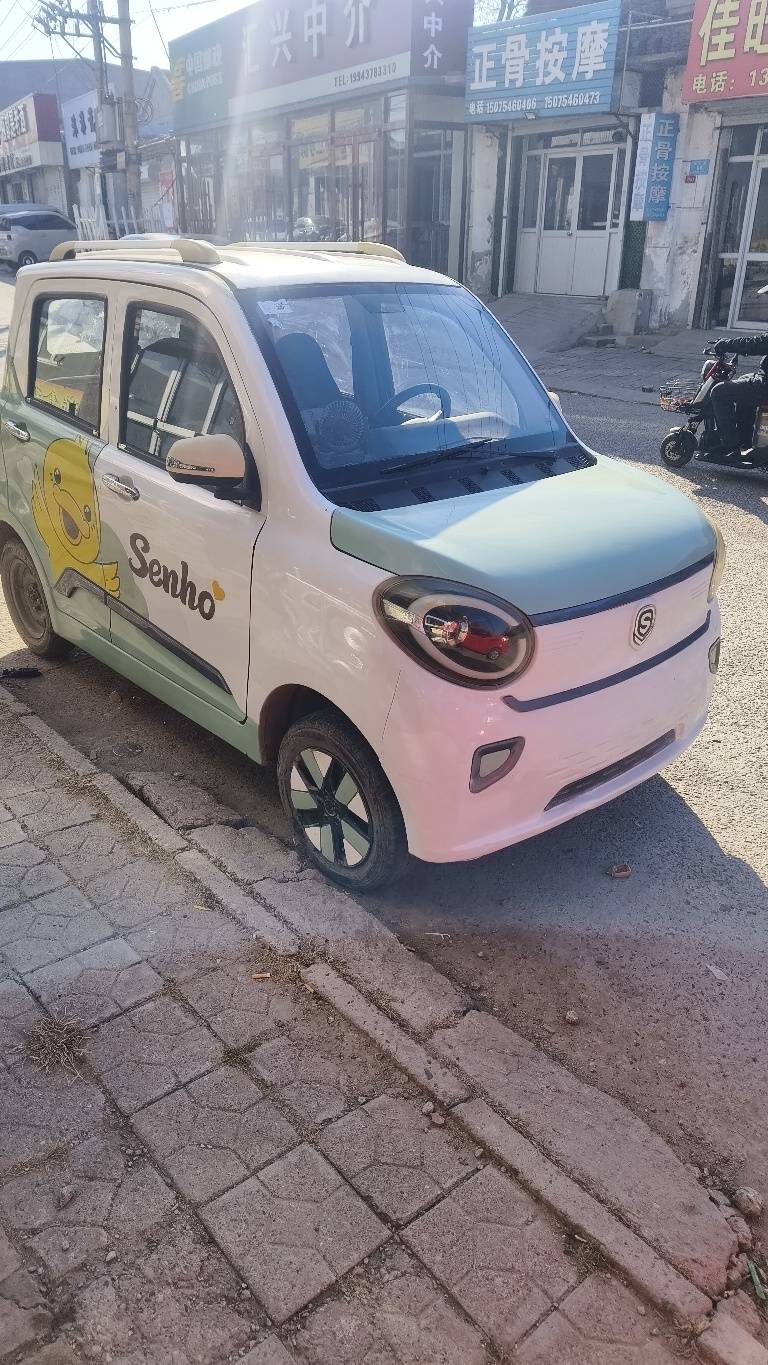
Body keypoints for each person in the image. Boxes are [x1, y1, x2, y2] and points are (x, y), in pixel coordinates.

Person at [710, 333, 768, 458]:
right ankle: (744, 441)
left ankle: (729, 443)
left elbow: (758, 343)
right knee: (743, 381)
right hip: (763, 378)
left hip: (765, 385)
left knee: (719, 392)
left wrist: (727, 344)